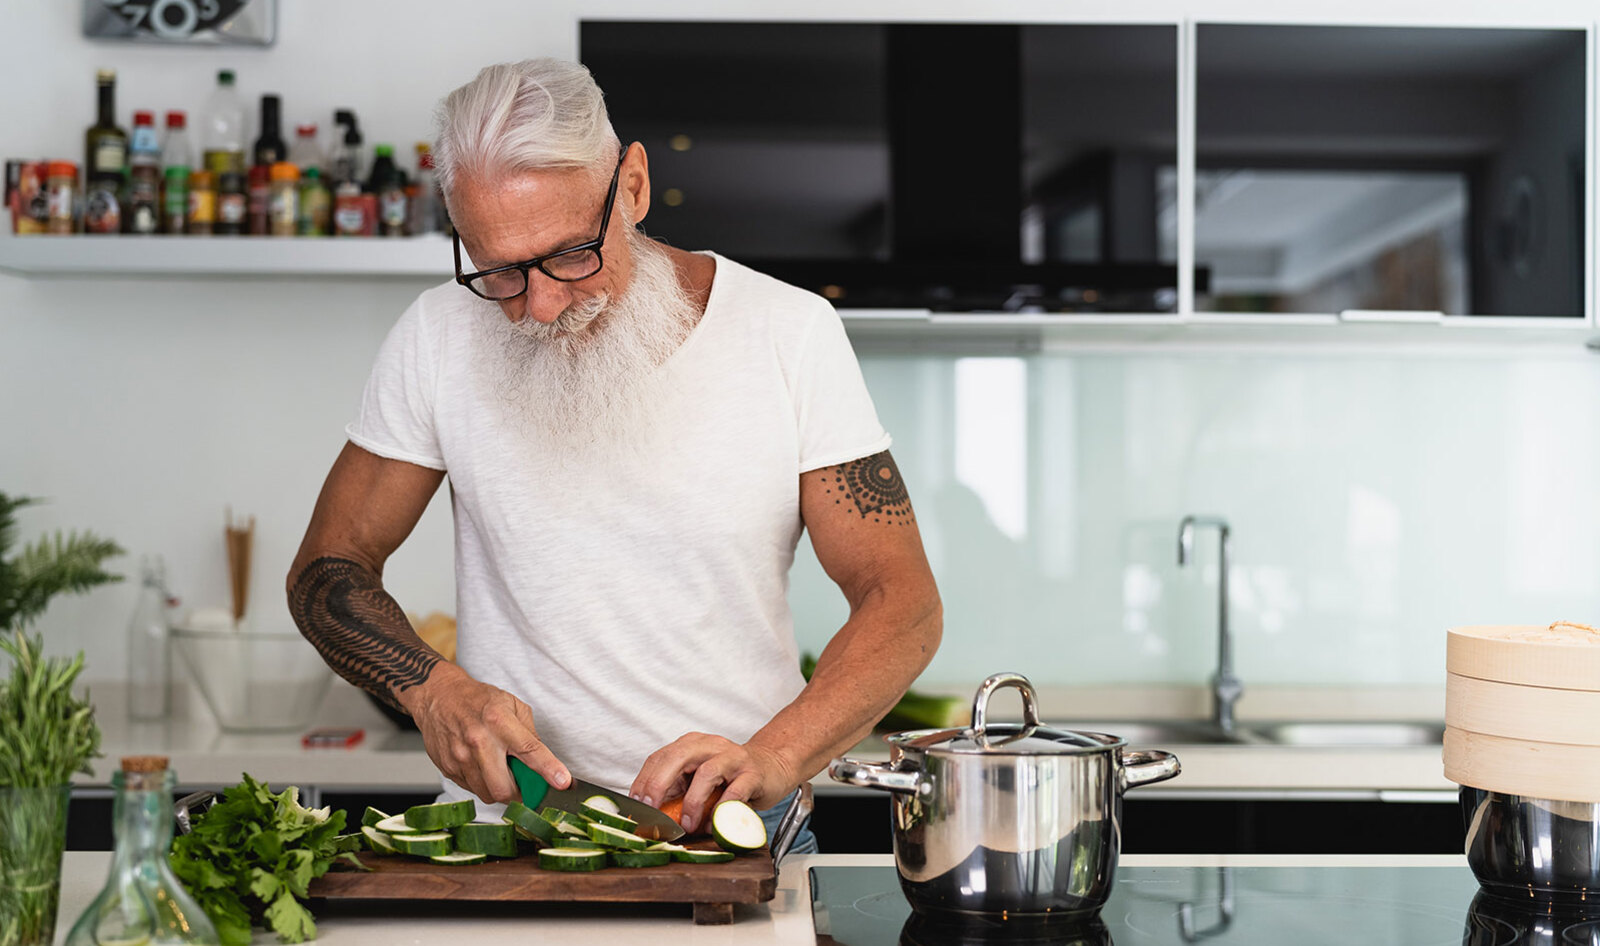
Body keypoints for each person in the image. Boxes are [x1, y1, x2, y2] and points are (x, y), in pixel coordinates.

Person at [286, 58, 942, 848]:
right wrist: (432, 690)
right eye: (498, 271)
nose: (539, 305)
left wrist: (775, 756)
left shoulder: (787, 332)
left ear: (632, 186)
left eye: (569, 254)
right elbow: (330, 566)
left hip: (737, 831)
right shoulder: (436, 336)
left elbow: (901, 602)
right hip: (516, 833)